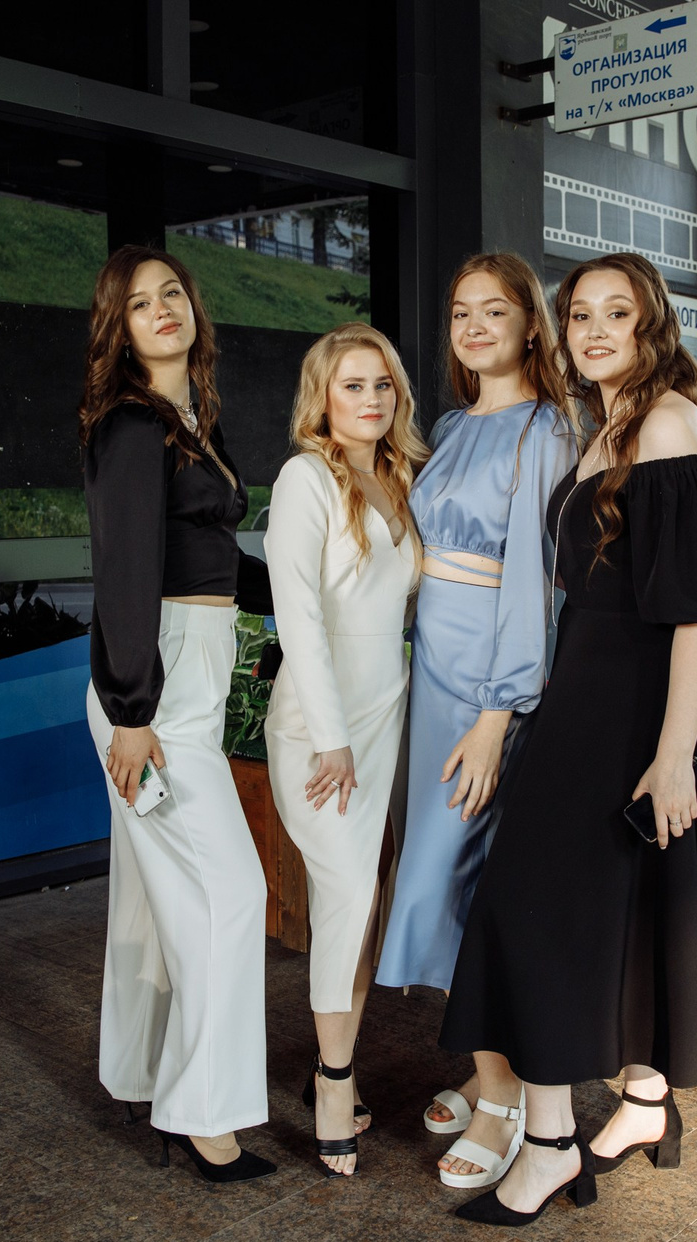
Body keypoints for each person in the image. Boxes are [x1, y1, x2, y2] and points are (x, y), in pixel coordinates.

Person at [438, 253, 697, 1225]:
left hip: (633, 704)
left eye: (618, 312)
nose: (596, 330)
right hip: (588, 689)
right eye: (581, 315)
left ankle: (548, 1147)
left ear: (651, 324)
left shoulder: (666, 422)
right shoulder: (609, 425)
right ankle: (646, 1101)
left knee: (529, 908)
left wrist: (674, 753)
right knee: (623, 901)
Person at [370, 252, 577, 1189]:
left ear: (532, 323)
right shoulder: (453, 427)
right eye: (461, 312)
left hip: (489, 684)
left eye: (495, 310)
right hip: (432, 674)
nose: (475, 326)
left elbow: (535, 586)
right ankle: (493, 1069)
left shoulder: (546, 431)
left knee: (452, 883)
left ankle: (504, 1101)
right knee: (449, 884)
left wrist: (499, 713)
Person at [80, 244, 278, 1183]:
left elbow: (214, 561)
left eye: (172, 294)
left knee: (154, 899)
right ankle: (204, 1115)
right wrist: (131, 711)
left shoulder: (192, 417)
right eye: (139, 303)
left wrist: (309, 600)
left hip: (193, 663)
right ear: (119, 330)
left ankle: (142, 1075)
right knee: (229, 896)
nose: (162, 309)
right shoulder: (131, 425)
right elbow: (124, 574)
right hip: (151, 684)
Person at [262, 324, 426, 1177]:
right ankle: (331, 1081)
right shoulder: (305, 479)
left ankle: (339, 1062)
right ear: (322, 397)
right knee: (347, 896)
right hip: (320, 727)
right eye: (352, 385)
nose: (370, 399)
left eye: (383, 384)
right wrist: (330, 738)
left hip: (386, 713)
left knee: (366, 905)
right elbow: (297, 616)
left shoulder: (398, 478)